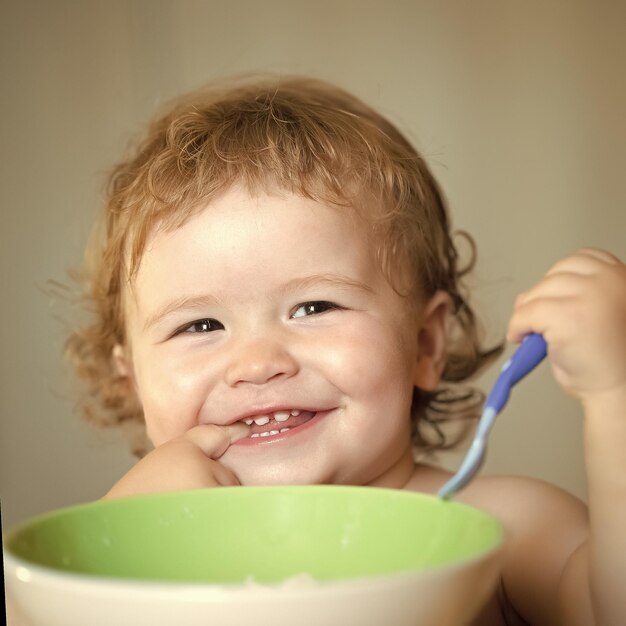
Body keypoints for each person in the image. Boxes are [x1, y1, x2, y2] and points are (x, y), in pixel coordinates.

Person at [66, 75, 626, 625]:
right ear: (133, 383)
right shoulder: (129, 547)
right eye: (201, 324)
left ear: (426, 344)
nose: (258, 363)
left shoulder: (506, 527)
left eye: (314, 308)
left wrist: (615, 392)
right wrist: (114, 542)